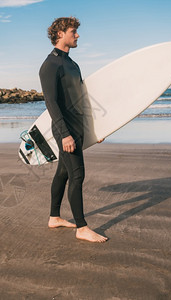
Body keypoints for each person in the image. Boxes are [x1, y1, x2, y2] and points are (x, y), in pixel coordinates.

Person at [39, 17, 108, 243]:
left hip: (78, 127)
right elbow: (52, 103)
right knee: (77, 175)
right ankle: (82, 228)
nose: (77, 35)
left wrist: (96, 130)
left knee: (63, 172)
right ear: (59, 33)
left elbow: (81, 100)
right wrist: (65, 134)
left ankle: (54, 217)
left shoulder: (73, 64)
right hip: (65, 130)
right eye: (73, 31)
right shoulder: (50, 65)